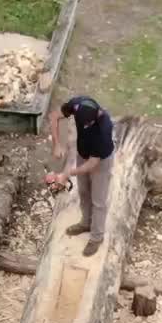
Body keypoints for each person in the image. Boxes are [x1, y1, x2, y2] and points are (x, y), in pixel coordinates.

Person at [48, 95, 115, 257]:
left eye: (88, 124)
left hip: (100, 161)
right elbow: (54, 116)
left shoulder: (104, 128)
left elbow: (92, 164)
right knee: (84, 192)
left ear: (96, 116)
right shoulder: (76, 104)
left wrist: (67, 173)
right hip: (83, 154)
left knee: (98, 200)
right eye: (82, 123)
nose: (85, 127)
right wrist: (57, 144)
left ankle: (97, 237)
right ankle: (86, 223)